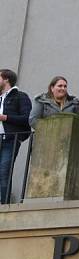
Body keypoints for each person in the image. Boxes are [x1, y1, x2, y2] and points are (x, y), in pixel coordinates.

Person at [0, 69, 31, 204]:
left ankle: (4, 205)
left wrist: (4, 117)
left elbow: (27, 119)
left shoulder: (20, 96)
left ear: (6, 79)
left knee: (4, 172)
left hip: (10, 140)